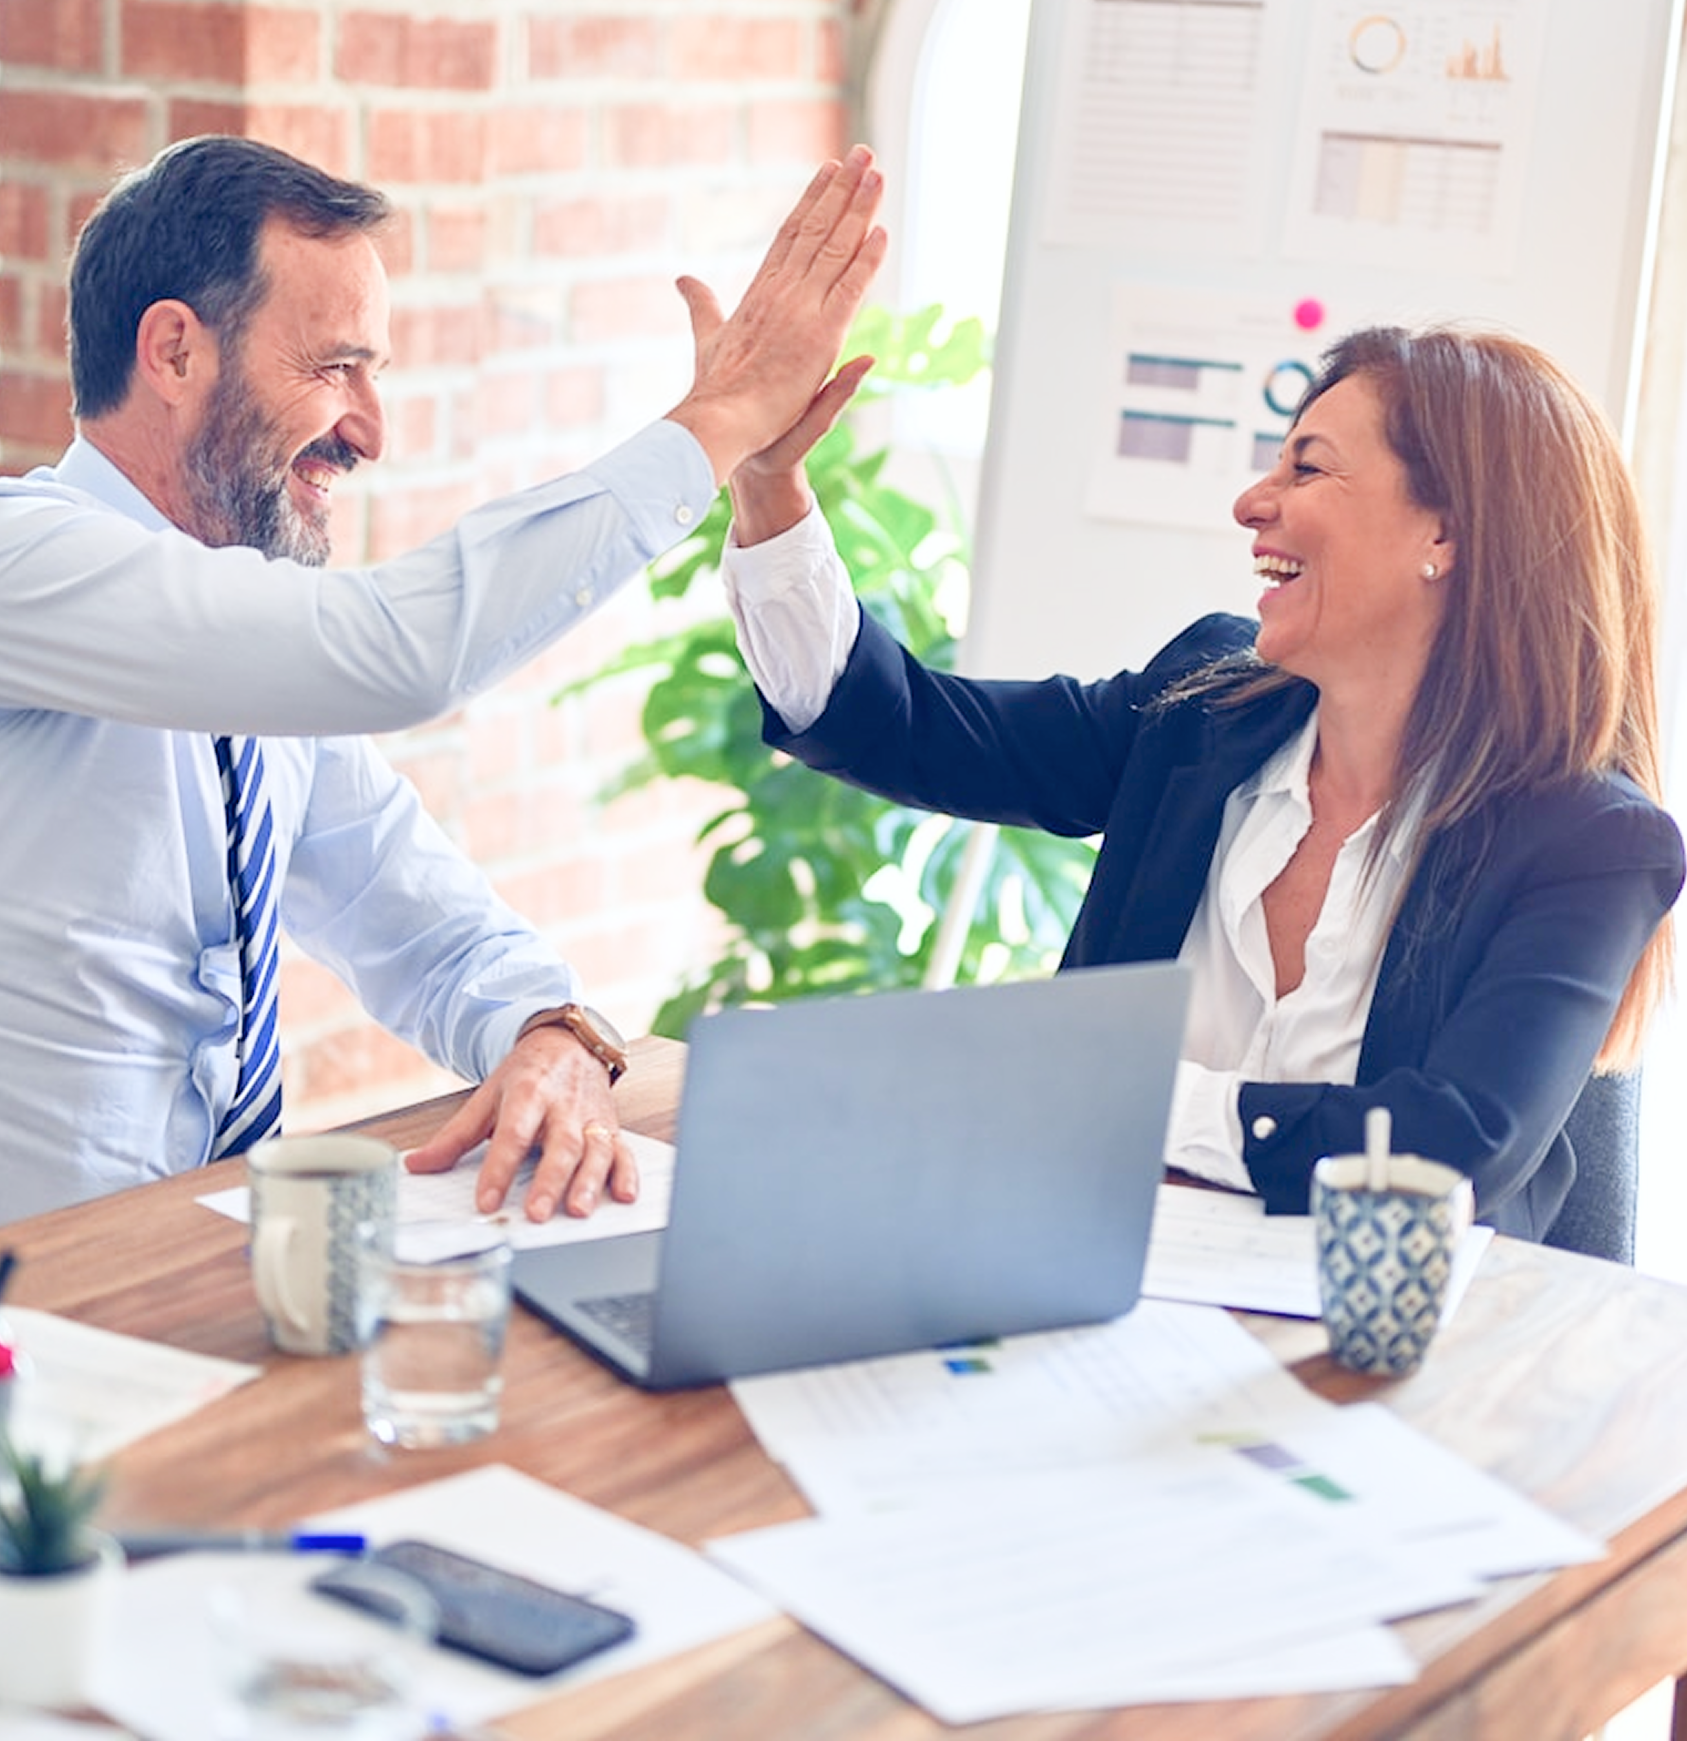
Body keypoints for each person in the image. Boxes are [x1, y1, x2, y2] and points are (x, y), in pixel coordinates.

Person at [0, 134, 887, 1262]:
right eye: (335, 368)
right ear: (175, 352)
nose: (371, 429)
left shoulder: (249, 676)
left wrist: (549, 1030)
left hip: (165, 1298)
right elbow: (395, 653)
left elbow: (428, 927)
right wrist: (717, 424)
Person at [720, 323, 1684, 1242]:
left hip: (1396, 1363)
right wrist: (770, 487)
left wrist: (1121, 1095)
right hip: (1099, 1289)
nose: (1253, 502)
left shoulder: (1590, 841)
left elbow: (1446, 1149)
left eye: (1307, 467)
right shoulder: (1205, 710)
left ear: (1448, 534)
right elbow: (910, 729)